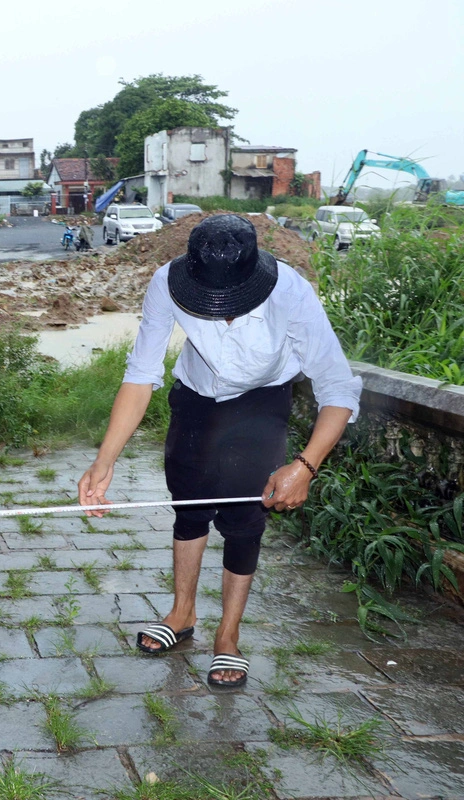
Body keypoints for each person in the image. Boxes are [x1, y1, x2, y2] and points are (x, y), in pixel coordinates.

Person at [77, 215, 361, 688]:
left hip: (261, 399)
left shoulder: (291, 293)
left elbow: (338, 387)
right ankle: (181, 613)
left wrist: (305, 466)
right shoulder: (167, 281)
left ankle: (227, 636)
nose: (222, 313)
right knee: (188, 506)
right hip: (196, 394)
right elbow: (141, 372)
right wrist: (104, 460)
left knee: (244, 519)